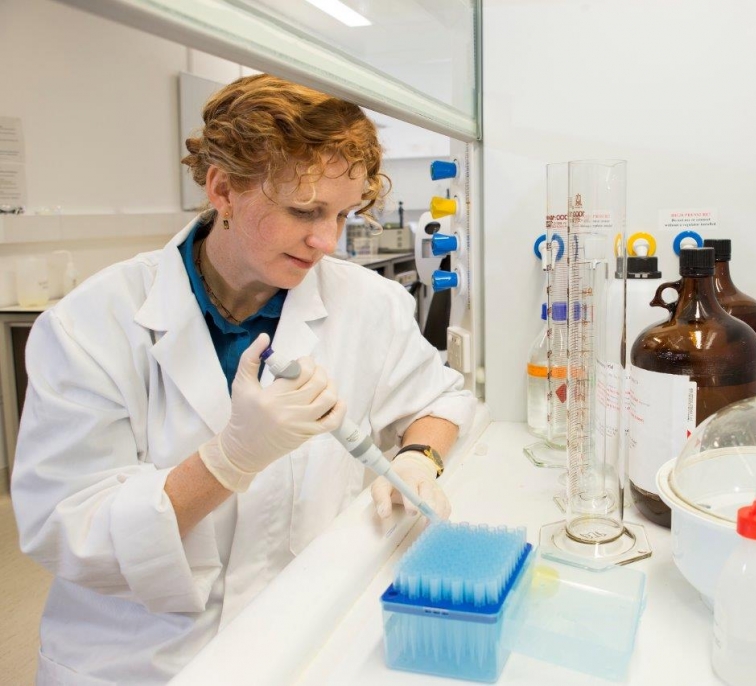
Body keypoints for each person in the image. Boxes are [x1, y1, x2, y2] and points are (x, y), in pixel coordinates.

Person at [11, 74, 475, 685]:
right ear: (223, 189)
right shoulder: (90, 324)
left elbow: (441, 397)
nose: (326, 240)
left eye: (341, 213)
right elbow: (68, 531)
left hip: (305, 632)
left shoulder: (369, 302)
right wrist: (228, 462)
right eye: (304, 211)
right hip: (142, 660)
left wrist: (418, 458)